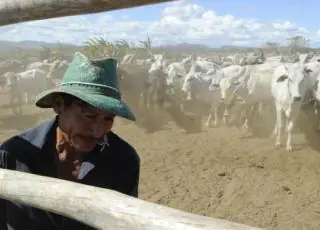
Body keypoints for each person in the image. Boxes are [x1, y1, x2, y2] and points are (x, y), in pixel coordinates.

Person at [0, 52, 140, 230]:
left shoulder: (124, 160)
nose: (98, 131)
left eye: (108, 119)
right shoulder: (12, 155)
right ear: (58, 105)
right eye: (89, 116)